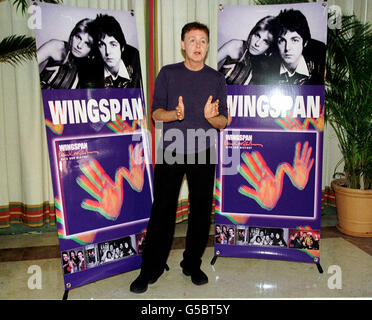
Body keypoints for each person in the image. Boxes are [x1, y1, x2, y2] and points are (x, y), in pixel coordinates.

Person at [130, 21, 228, 294]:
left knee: (200, 212)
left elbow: (224, 121)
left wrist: (212, 118)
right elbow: (155, 113)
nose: (198, 46)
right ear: (183, 45)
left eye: (203, 41)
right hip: (171, 149)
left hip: (204, 150)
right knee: (162, 211)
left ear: (208, 46)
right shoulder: (168, 74)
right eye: (192, 40)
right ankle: (151, 268)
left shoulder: (217, 78)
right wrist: (176, 114)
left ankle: (192, 264)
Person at [37, 18, 95, 89]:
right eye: (78, 37)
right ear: (72, 36)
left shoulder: (92, 68)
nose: (79, 46)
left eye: (87, 43)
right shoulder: (56, 47)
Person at [217, 16, 277, 85]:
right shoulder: (236, 46)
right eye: (257, 35)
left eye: (265, 42)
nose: (257, 44)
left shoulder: (267, 67)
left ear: (270, 48)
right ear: (252, 33)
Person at [273, 9, 326, 85]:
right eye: (282, 40)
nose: (287, 48)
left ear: (305, 43)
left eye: (294, 40)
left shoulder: (317, 70)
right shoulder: (265, 70)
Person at [90, 14, 142, 88]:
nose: (107, 52)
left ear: (122, 47)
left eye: (113, 45)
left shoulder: (136, 60)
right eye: (102, 45)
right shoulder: (92, 73)